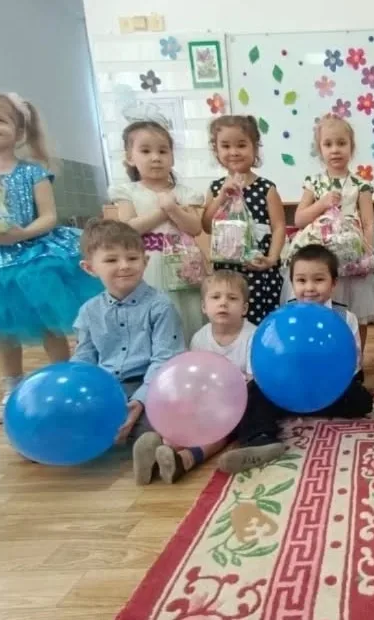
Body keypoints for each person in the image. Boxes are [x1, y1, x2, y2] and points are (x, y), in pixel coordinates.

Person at [0, 90, 100, 423]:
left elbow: (49, 217)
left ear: (19, 131)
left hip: (33, 258)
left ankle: (64, 379)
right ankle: (12, 386)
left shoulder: (32, 171)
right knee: (1, 329)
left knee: (50, 324)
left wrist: (20, 234)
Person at [218, 244, 373, 474]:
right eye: (301, 280)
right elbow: (269, 351)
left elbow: (354, 362)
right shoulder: (282, 317)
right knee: (254, 393)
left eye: (318, 280)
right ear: (292, 283)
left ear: (333, 283)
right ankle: (260, 440)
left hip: (329, 390)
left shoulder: (345, 317)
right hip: (287, 389)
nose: (309, 288)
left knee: (363, 400)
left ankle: (304, 408)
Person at [72, 218, 190, 485]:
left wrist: (140, 401)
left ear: (145, 261)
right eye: (111, 260)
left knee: (167, 420)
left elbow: (165, 360)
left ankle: (150, 445)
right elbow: (84, 358)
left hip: (151, 386)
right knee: (70, 421)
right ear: (89, 268)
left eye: (132, 258)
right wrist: (81, 396)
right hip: (106, 388)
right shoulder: (89, 311)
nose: (124, 265)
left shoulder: (160, 306)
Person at [289, 115, 374, 348]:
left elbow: (368, 222)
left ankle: (356, 356)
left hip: (352, 256)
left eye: (341, 143)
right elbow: (300, 219)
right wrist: (322, 204)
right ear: (319, 149)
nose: (335, 150)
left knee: (357, 312)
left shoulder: (360, 184)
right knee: (321, 305)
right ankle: (319, 350)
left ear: (351, 147)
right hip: (321, 258)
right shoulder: (314, 182)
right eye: (328, 144)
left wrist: (369, 255)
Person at [152, 270, 257, 483]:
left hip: (238, 402)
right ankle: (160, 450)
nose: (223, 303)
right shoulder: (200, 338)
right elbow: (193, 377)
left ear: (244, 308)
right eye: (215, 297)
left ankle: (187, 459)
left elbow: (251, 379)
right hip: (205, 400)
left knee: (220, 433)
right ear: (204, 307)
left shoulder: (253, 335)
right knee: (184, 416)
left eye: (232, 298)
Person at [107, 120, 206, 343]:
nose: (155, 157)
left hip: (184, 265)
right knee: (154, 315)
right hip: (148, 265)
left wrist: (173, 208)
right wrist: (163, 212)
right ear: (130, 158)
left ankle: (189, 355)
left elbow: (195, 227)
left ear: (172, 157)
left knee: (187, 313)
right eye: (145, 151)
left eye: (163, 151)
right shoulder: (128, 191)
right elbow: (128, 228)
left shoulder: (185, 193)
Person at [202, 115, 286, 325]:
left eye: (241, 145)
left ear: (254, 148)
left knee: (262, 324)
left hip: (259, 271)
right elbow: (206, 225)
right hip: (226, 274)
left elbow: (278, 227)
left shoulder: (266, 188)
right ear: (216, 150)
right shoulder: (215, 188)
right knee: (228, 322)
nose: (234, 152)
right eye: (225, 146)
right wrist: (221, 196)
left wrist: (271, 259)